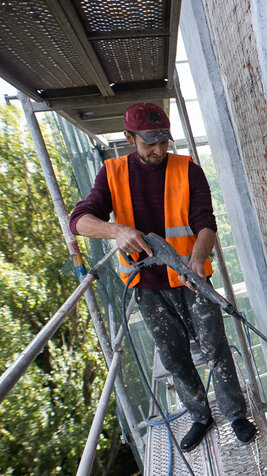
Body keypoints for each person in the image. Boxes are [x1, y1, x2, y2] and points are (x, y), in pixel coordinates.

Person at [69, 102, 256, 451]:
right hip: (149, 288)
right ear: (129, 138)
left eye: (163, 141)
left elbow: (205, 222)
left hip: (191, 278)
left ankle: (236, 415)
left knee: (215, 347)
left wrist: (198, 259)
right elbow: (78, 220)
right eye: (149, 142)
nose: (158, 149)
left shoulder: (188, 170)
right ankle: (200, 417)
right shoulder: (111, 174)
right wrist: (115, 231)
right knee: (174, 356)